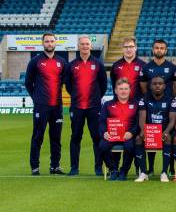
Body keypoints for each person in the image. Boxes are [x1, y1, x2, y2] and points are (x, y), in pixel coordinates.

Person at [25, 33, 68, 175]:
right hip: (41, 106)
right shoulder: (35, 61)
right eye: (47, 41)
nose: (49, 43)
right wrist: (37, 98)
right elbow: (28, 83)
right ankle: (35, 166)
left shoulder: (62, 62)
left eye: (52, 41)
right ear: (43, 43)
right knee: (38, 136)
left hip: (57, 106)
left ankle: (55, 166)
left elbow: (63, 82)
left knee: (56, 137)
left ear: (55, 43)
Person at [65, 35, 107, 176]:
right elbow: (69, 86)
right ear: (78, 46)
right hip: (77, 107)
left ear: (90, 46)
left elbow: (103, 85)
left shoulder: (98, 64)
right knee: (76, 137)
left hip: (94, 107)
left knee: (97, 137)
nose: (84, 46)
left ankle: (98, 168)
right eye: (82, 44)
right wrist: (77, 96)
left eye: (87, 44)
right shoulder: (71, 65)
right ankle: (74, 168)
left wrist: (95, 97)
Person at [139, 39, 176, 173]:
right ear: (153, 49)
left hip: (168, 107)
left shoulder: (172, 67)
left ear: (166, 50)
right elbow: (144, 87)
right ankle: (150, 168)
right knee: (151, 135)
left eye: (162, 48)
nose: (159, 50)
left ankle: (171, 168)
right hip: (152, 106)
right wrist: (151, 99)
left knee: (169, 137)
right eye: (157, 48)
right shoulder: (146, 67)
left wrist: (169, 98)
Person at [135, 76, 176, 182]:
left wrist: (166, 131)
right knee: (138, 139)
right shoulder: (144, 99)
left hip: (164, 131)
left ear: (164, 86)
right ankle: (144, 173)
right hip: (150, 131)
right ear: (150, 86)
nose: (157, 86)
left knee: (168, 138)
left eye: (160, 83)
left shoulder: (171, 100)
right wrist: (143, 130)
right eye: (154, 84)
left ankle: (164, 173)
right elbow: (142, 117)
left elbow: (173, 120)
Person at [98, 78, 139, 181]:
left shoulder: (136, 104)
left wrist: (131, 132)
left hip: (128, 135)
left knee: (130, 147)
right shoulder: (108, 104)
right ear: (116, 90)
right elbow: (102, 122)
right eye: (121, 89)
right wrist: (104, 133)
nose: (123, 91)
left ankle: (124, 171)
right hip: (113, 134)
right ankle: (113, 169)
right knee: (102, 147)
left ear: (130, 90)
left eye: (126, 88)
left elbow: (139, 123)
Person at [110, 37, 146, 101]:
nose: (128, 49)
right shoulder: (115, 66)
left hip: (138, 105)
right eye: (125, 47)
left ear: (135, 48)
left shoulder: (143, 65)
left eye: (131, 46)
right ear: (122, 49)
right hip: (120, 104)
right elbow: (114, 85)